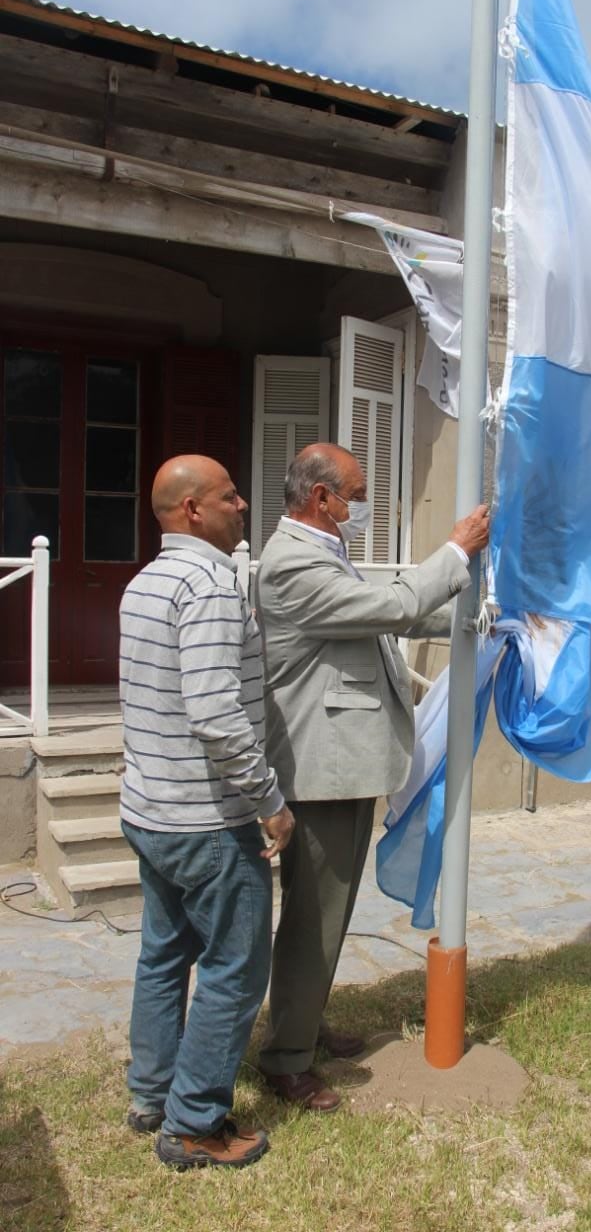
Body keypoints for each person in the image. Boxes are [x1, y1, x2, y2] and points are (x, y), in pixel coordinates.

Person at [255, 442, 489, 1111]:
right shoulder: (290, 562)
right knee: (313, 918)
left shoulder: (323, 554)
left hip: (344, 764)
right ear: (321, 498)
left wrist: (480, 617)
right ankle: (286, 1059)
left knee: (325, 915)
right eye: (355, 493)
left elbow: (396, 611)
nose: (363, 505)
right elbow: (389, 609)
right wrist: (454, 552)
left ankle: (303, 1024)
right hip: (320, 770)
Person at [119, 454, 295, 1170]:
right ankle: (193, 1124)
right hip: (205, 819)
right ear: (192, 509)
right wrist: (270, 802)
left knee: (163, 955)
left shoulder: (144, 580)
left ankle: (151, 1092)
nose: (243, 504)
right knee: (233, 967)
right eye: (228, 497)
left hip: (150, 811)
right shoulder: (209, 582)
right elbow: (217, 714)